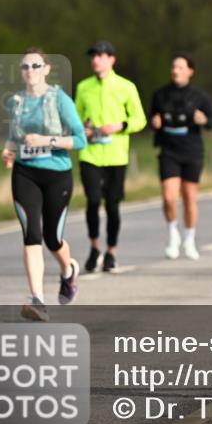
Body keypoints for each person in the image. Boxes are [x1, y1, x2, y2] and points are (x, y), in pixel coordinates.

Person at [2, 48, 87, 321]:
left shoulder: (60, 99)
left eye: (36, 66)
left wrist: (46, 141)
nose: (30, 71)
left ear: (47, 69)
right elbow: (14, 136)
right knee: (31, 234)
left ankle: (68, 271)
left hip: (57, 175)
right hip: (25, 174)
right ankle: (37, 300)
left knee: (52, 237)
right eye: (25, 67)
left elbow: (80, 139)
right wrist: (9, 150)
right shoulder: (16, 102)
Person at [75, 41, 146, 273]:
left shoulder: (126, 86)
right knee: (93, 200)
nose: (96, 60)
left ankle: (111, 252)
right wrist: (81, 129)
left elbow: (140, 119)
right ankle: (95, 247)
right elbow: (75, 118)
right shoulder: (84, 87)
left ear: (111, 59)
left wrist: (120, 125)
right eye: (93, 56)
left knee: (112, 206)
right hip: (90, 153)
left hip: (116, 155)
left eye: (101, 56)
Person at [150, 52, 212, 261]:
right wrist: (154, 122)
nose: (175, 71)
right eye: (173, 67)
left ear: (190, 71)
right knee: (169, 197)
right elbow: (151, 117)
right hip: (168, 150)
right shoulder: (160, 94)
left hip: (192, 150)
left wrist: (203, 120)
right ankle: (173, 234)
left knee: (189, 197)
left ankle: (189, 238)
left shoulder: (199, 96)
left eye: (180, 67)